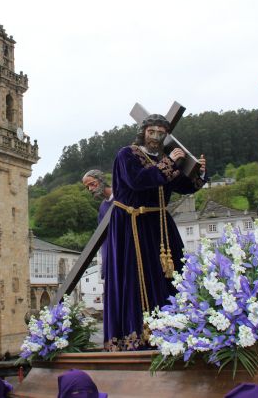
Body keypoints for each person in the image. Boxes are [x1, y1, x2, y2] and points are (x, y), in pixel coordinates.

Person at [105, 113, 206, 350]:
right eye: (152, 132)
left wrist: (198, 173)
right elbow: (137, 181)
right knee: (136, 280)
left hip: (159, 223)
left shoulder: (164, 159)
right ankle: (138, 336)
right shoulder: (127, 154)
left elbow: (182, 186)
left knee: (172, 276)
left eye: (161, 133)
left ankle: (178, 330)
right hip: (133, 224)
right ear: (143, 132)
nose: (156, 137)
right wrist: (170, 162)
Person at [82, 169, 114, 278]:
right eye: (87, 187)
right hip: (113, 251)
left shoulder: (122, 195)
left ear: (101, 180)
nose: (90, 189)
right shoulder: (103, 207)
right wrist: (106, 263)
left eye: (92, 184)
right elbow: (103, 238)